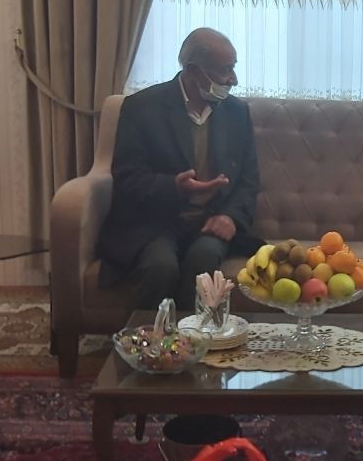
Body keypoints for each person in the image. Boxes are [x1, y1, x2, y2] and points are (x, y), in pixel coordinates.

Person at [98, 28, 261, 310]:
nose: (233, 79)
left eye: (233, 68)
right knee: (160, 267)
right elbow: (127, 177)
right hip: (155, 221)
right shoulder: (141, 107)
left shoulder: (236, 112)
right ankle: (152, 337)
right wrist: (174, 186)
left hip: (210, 220)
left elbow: (249, 178)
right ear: (193, 70)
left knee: (203, 260)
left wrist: (231, 217)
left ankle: (193, 336)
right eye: (226, 70)